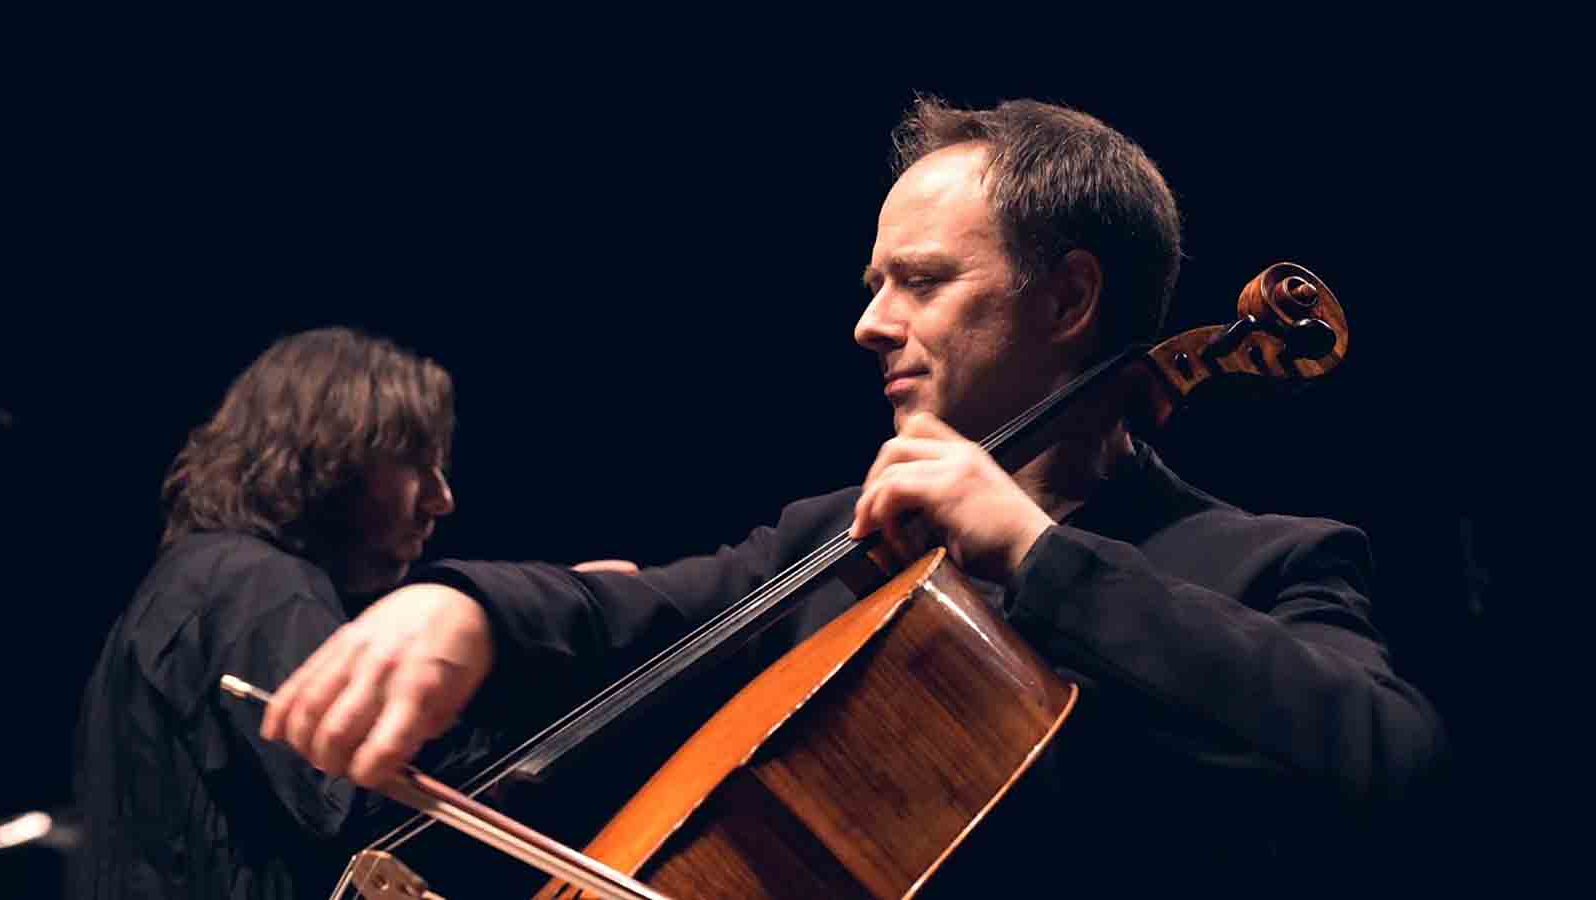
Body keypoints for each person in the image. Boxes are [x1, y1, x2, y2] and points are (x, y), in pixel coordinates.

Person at [263, 99, 1449, 892]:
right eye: (875, 283)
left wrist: (1040, 555)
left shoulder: (1263, 562)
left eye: (920, 282)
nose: (869, 323)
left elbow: (1391, 760)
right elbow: (641, 611)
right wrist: (466, 608)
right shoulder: (848, 532)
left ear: (1068, 300)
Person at [69, 328, 493, 899]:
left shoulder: (195, 578)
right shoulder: (258, 584)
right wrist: (512, 635)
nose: (442, 500)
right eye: (418, 464)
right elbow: (371, 805)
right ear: (332, 458)